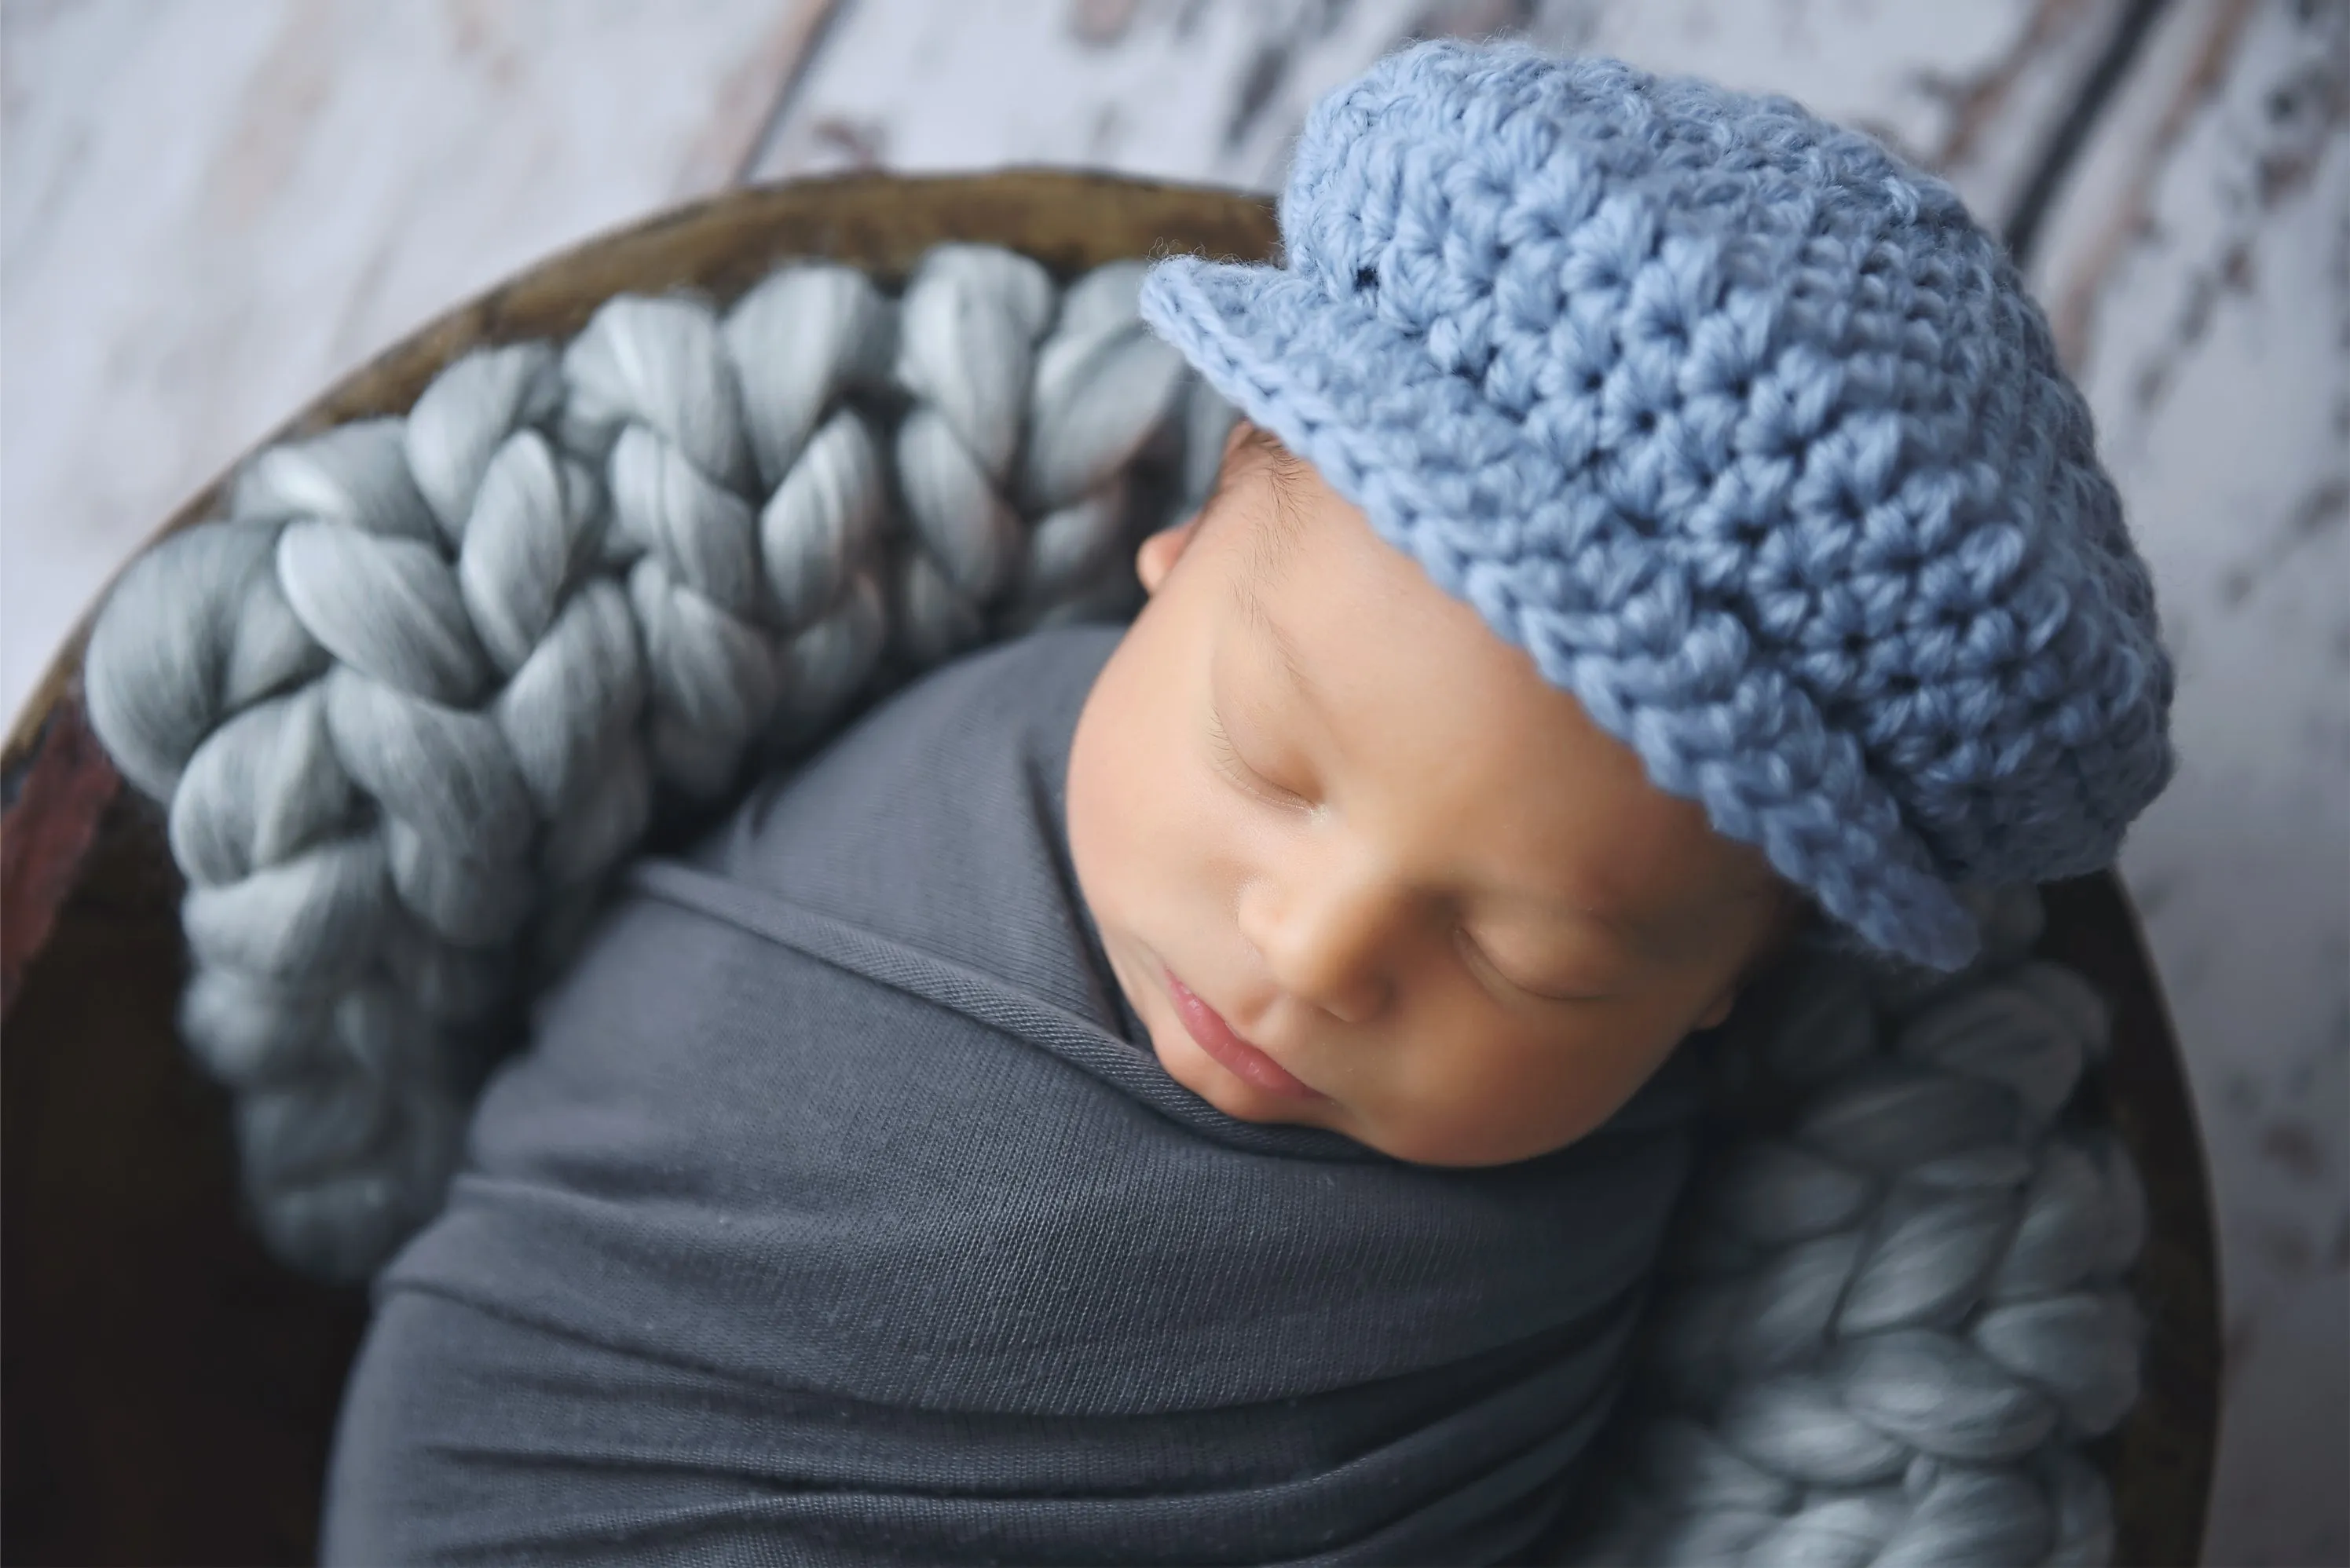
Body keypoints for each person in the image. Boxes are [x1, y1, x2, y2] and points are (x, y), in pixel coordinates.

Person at [321, 39, 2172, 1566]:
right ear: (1184, 538)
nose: (1310, 950)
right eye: (1269, 764)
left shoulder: (1610, 1227)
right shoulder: (923, 788)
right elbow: (593, 1182)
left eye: (1520, 952)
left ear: (1726, 983)